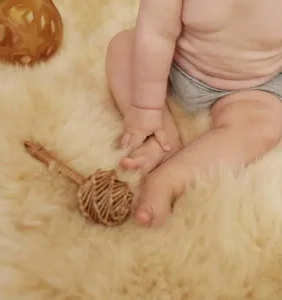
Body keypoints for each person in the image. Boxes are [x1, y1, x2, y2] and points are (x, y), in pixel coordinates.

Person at [105, 0, 282, 228]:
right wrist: (146, 109)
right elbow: (155, 32)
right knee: (123, 47)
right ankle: (160, 136)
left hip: (252, 84)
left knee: (262, 126)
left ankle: (172, 176)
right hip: (175, 63)